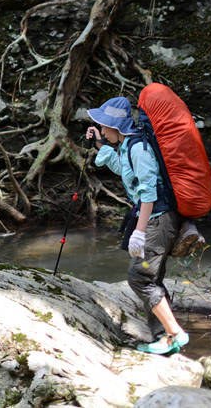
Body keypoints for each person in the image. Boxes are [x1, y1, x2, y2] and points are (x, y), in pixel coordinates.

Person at [85, 96, 189, 355]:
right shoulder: (127, 145)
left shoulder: (139, 148)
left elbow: (148, 192)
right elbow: (124, 170)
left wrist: (140, 232)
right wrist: (100, 145)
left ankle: (175, 334)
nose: (102, 130)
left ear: (116, 126)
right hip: (154, 219)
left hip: (157, 220)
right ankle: (163, 337)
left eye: (104, 126)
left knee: (140, 277)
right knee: (152, 277)